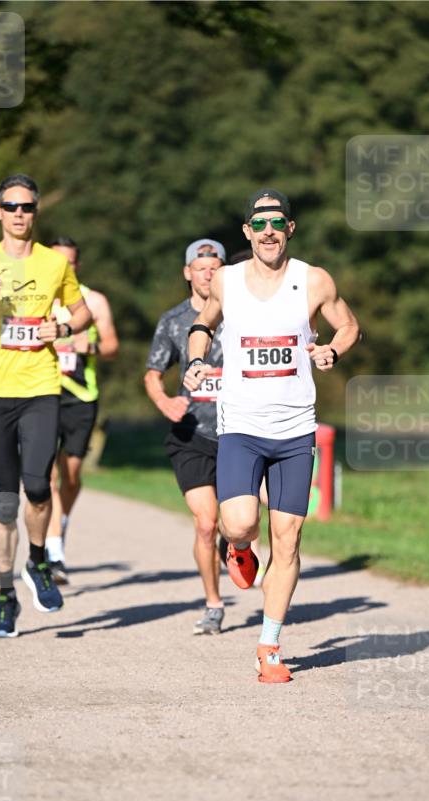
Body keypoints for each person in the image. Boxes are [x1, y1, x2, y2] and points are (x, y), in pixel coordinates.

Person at [184, 189, 360, 681]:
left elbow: (348, 326)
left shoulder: (314, 280)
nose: (267, 231)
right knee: (240, 524)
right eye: (258, 224)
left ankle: (269, 645)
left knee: (288, 537)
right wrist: (197, 360)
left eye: (276, 223)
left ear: (289, 229)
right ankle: (238, 548)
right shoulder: (226, 280)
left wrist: (333, 351)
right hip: (240, 424)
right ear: (246, 232)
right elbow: (203, 322)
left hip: (295, 426)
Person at [0, 174, 91, 637]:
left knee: (39, 484)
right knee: (5, 500)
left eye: (27, 207)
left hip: (41, 387)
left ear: (36, 211)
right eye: (11, 206)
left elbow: (82, 310)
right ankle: (6, 594)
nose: (19, 214)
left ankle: (40, 561)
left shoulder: (53, 264)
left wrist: (64, 329)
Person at [145, 238, 229, 635]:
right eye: (201, 267)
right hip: (191, 433)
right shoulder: (174, 320)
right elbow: (152, 374)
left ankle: (236, 545)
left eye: (215, 267)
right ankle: (213, 604)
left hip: (238, 431)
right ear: (188, 273)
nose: (208, 274)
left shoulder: (242, 314)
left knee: (237, 524)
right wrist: (164, 402)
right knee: (205, 524)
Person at [44, 236, 119, 584]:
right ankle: (54, 550)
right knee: (48, 475)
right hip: (41, 393)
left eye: (70, 263)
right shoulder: (36, 297)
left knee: (71, 474)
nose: (65, 268)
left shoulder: (94, 301)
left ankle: (61, 523)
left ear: (77, 265)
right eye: (59, 261)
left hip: (81, 396)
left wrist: (86, 343)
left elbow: (111, 346)